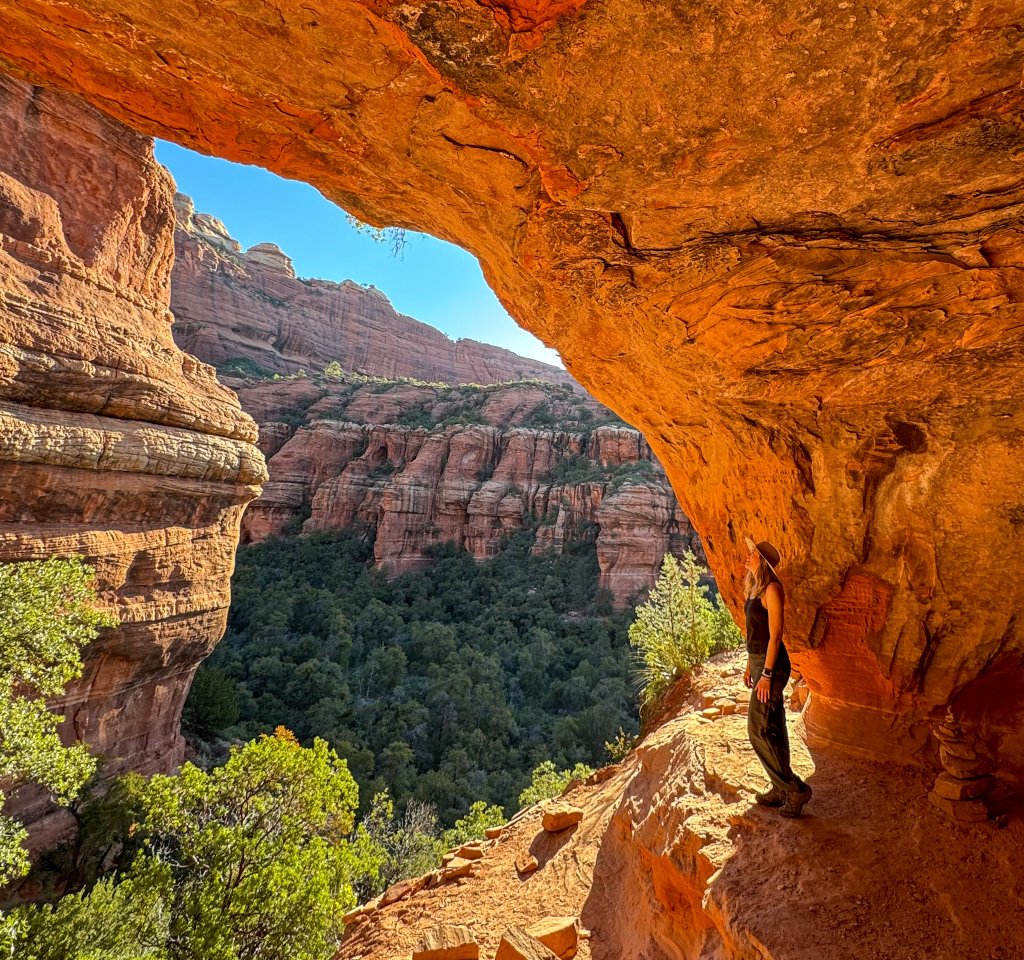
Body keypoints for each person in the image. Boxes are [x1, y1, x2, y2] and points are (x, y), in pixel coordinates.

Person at [743, 537, 812, 817]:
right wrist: (750, 665)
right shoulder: (755, 588)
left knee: (756, 729)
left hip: (773, 666)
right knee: (774, 727)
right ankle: (779, 786)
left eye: (751, 555)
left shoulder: (772, 589)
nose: (746, 558)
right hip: (760, 663)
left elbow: (775, 636)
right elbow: (753, 634)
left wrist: (766, 674)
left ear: (763, 563)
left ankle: (794, 789)